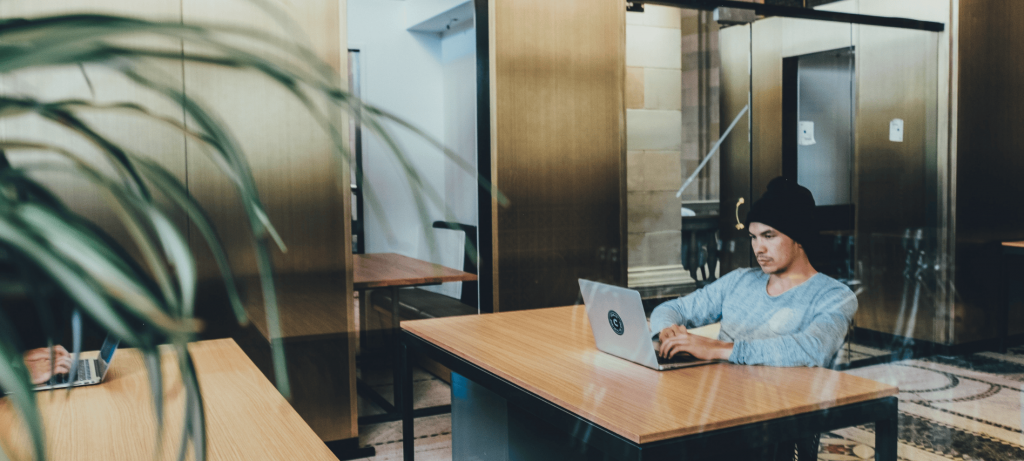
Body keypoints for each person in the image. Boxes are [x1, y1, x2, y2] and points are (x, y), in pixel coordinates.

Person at [650, 176, 857, 368]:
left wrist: (716, 348)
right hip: (720, 388)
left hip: (783, 394)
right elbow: (673, 308)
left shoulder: (834, 295)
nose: (759, 248)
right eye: (753, 237)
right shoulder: (739, 280)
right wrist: (667, 331)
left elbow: (814, 349)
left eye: (769, 236)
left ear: (799, 238)